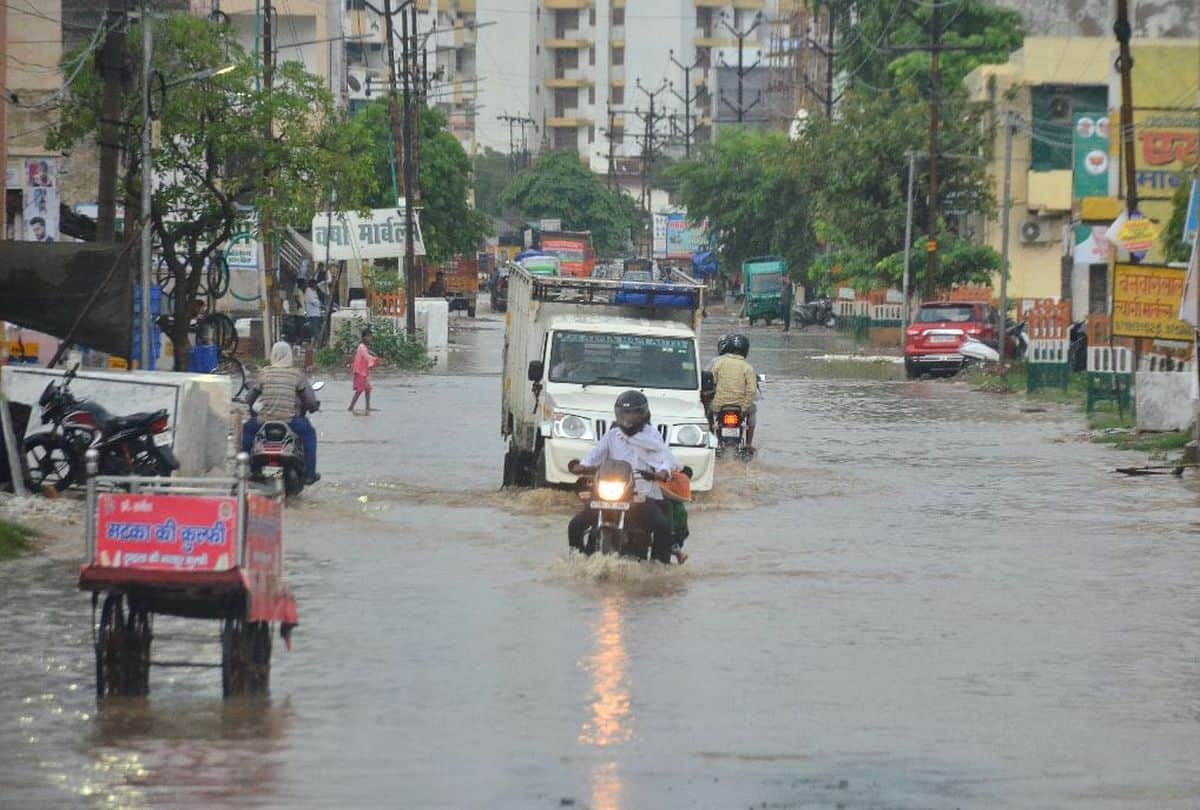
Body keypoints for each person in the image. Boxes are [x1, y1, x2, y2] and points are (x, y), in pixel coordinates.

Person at [567, 390, 680, 564]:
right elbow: (594, 455)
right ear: (618, 414)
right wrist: (580, 466)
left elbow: (666, 459)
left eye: (634, 414)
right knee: (575, 525)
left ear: (643, 414)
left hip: (640, 496)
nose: (629, 418)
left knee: (662, 527)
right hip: (610, 494)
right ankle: (577, 562)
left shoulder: (652, 436)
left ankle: (659, 567)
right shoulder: (612, 435)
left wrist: (661, 473)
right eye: (625, 413)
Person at [242, 341, 321, 484]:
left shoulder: (264, 373)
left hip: (264, 420)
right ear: (289, 355)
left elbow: (248, 400)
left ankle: (247, 470)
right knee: (309, 434)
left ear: (273, 355)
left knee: (247, 431)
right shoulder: (296, 375)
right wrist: (313, 407)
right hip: (290, 421)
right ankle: (310, 474)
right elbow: (308, 401)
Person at [710, 333, 758, 452]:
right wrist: (744, 409)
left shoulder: (719, 363)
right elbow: (751, 391)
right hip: (740, 407)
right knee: (753, 412)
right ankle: (748, 444)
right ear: (746, 350)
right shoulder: (747, 367)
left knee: (708, 413)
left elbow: (712, 381)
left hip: (719, 406)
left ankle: (710, 438)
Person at [348, 327, 381, 413]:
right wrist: (375, 360)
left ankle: (367, 407)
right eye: (368, 336)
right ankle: (351, 407)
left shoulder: (363, 347)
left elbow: (367, 355)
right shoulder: (362, 347)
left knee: (368, 389)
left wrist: (373, 358)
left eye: (370, 337)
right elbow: (366, 357)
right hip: (360, 372)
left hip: (363, 371)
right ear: (363, 337)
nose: (370, 338)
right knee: (359, 390)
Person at [304, 279, 323, 345]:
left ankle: (315, 344)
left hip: (316, 313)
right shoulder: (308, 291)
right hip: (313, 314)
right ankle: (312, 345)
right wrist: (320, 304)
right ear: (313, 284)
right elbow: (314, 301)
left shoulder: (313, 291)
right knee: (314, 331)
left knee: (316, 330)